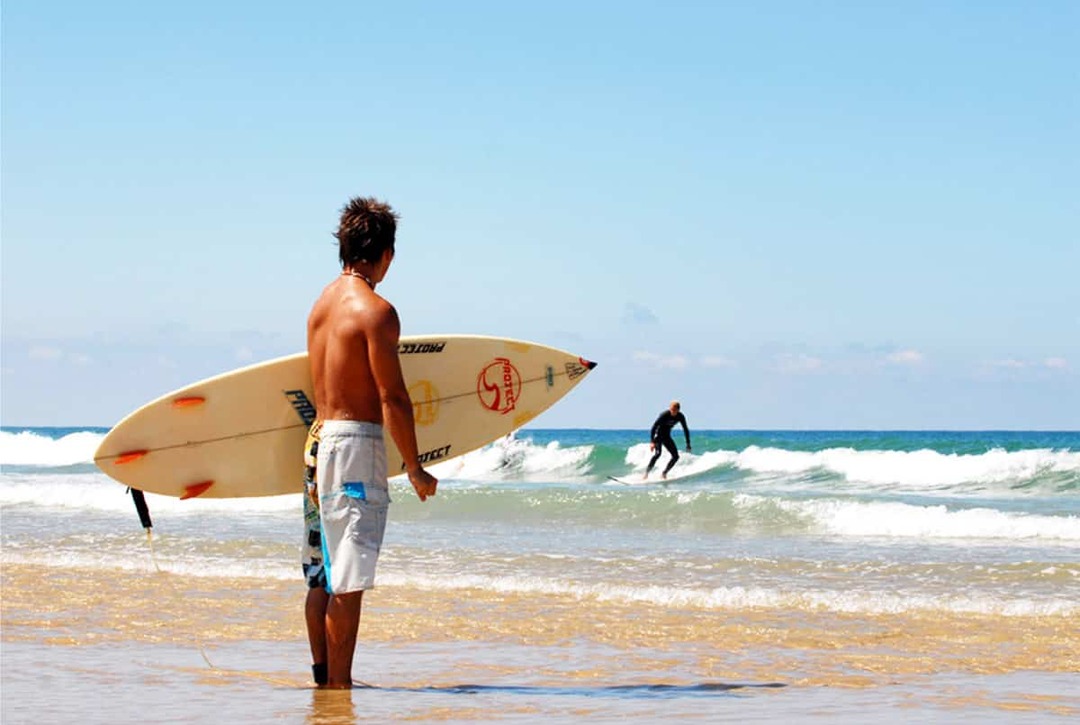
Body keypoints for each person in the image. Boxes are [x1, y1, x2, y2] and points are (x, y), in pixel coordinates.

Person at [303, 196, 439, 689]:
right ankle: (339, 690)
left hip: (317, 441)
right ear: (386, 254)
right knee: (350, 577)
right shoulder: (376, 311)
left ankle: (325, 680)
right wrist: (416, 467)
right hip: (355, 445)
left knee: (322, 572)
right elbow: (393, 397)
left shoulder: (320, 306)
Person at [644, 401, 691, 480]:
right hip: (658, 436)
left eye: (674, 410)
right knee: (658, 454)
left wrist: (688, 443)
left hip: (666, 436)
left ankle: (664, 473)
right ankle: (646, 474)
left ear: (678, 410)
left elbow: (685, 429)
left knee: (675, 457)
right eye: (671, 409)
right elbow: (654, 426)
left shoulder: (680, 416)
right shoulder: (664, 414)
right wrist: (652, 441)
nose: (672, 411)